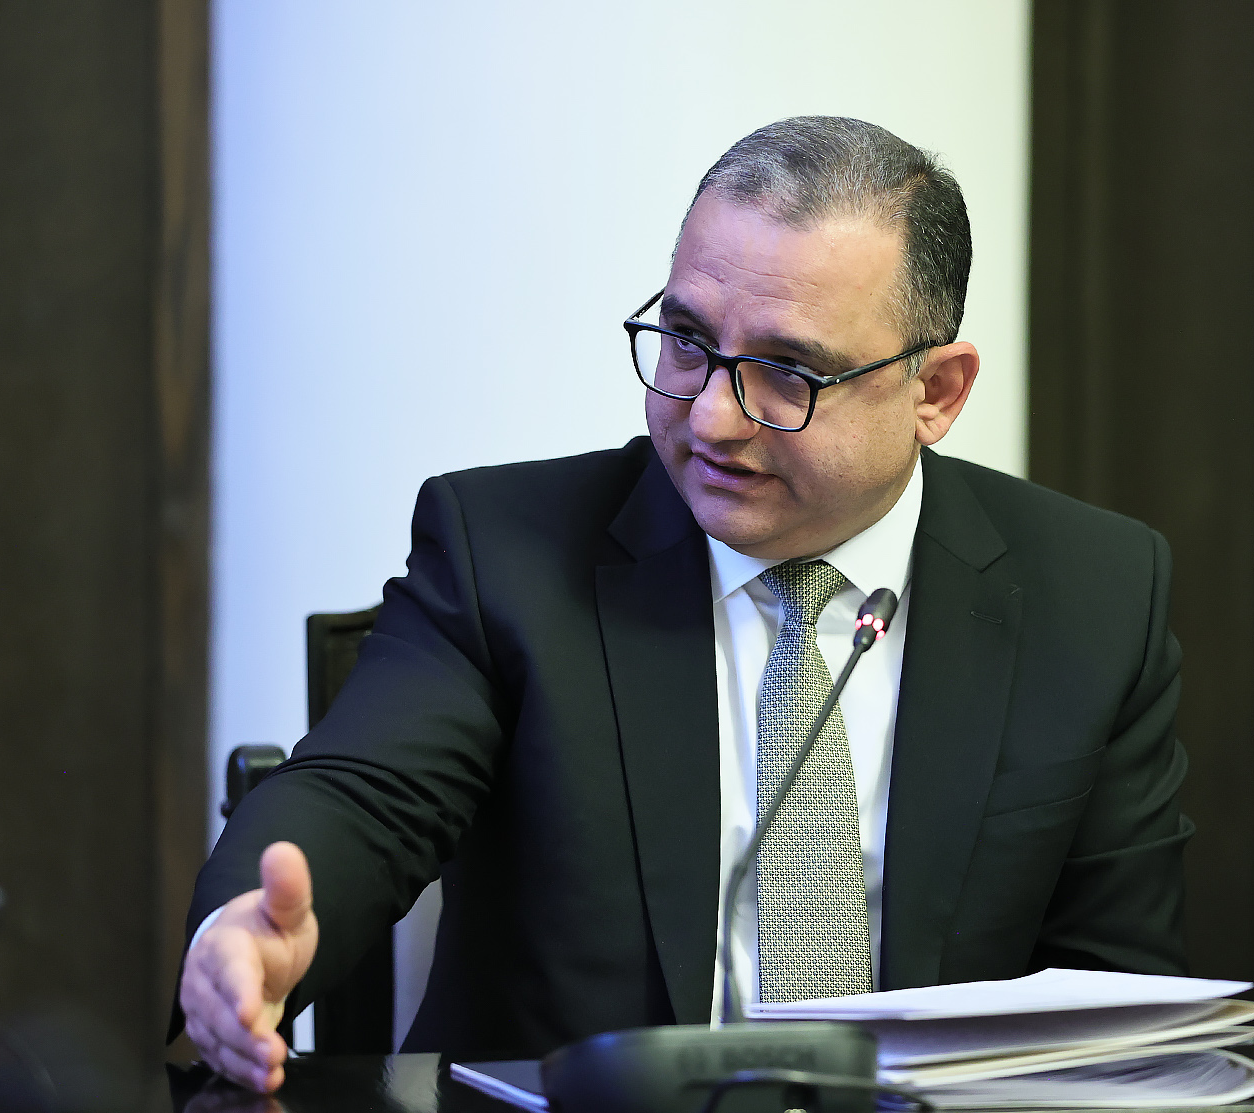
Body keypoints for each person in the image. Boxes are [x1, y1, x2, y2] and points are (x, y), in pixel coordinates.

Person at [175, 117, 1193, 1093]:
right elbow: (364, 794)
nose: (710, 418)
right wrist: (245, 929)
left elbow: (1113, 1000)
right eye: (687, 341)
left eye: (784, 373)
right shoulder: (508, 553)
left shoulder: (1091, 595)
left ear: (936, 392)